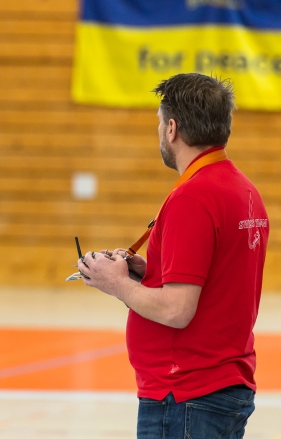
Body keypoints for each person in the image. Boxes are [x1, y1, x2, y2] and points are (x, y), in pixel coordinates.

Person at [79, 73, 268, 439]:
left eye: (159, 123)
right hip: (215, 388)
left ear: (172, 129)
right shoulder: (243, 189)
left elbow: (176, 310)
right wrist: (148, 272)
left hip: (185, 394)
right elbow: (217, 280)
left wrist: (116, 283)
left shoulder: (193, 197)